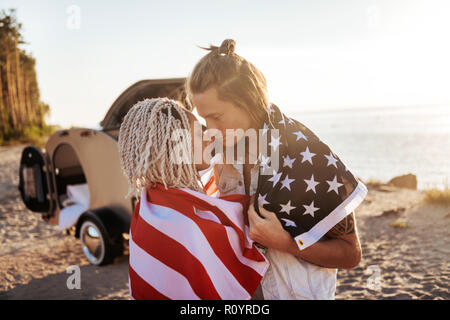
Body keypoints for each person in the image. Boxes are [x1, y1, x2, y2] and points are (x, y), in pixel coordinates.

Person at [186, 39, 367, 299]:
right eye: (205, 119)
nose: (211, 130)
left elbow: (351, 255)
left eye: (217, 117)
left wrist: (287, 243)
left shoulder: (309, 156)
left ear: (248, 100)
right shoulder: (224, 156)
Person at [117, 97, 269, 299]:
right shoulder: (183, 224)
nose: (209, 136)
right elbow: (243, 244)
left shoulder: (150, 205)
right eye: (199, 133)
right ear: (174, 146)